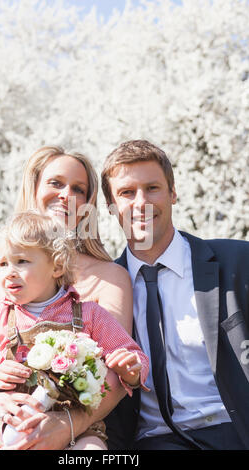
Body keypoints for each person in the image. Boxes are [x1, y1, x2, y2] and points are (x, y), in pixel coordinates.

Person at [0, 146, 134, 450]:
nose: (66, 195)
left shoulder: (109, 278)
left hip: (76, 429)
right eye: (55, 183)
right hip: (0, 429)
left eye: (79, 189)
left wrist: (66, 426)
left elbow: (113, 380)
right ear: (32, 188)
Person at [101, 139, 249, 450]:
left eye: (152, 188)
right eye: (127, 192)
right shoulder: (102, 291)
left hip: (235, 429)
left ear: (173, 193)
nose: (141, 202)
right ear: (111, 206)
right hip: (153, 442)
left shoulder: (237, 261)